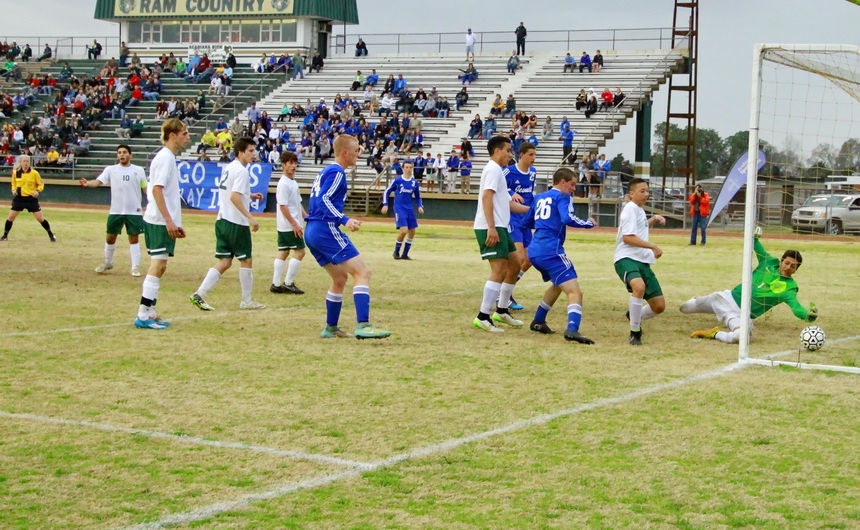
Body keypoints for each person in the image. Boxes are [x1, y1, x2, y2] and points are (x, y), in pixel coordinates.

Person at [304, 134, 391, 340]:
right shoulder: (337, 172)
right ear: (345, 152)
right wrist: (344, 219)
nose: (358, 155)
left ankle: (331, 328)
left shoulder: (326, 171)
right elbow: (324, 199)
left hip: (313, 230)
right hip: (325, 229)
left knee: (339, 278)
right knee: (363, 272)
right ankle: (363, 324)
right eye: (356, 151)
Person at [681, 229, 817, 343]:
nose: (788, 267)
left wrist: (808, 315)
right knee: (685, 308)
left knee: (740, 337)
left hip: (741, 314)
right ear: (781, 261)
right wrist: (755, 235)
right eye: (786, 263)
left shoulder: (790, 288)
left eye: (793, 266)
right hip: (727, 298)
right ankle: (699, 300)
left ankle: (714, 334)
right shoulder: (768, 262)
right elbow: (755, 245)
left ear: (796, 270)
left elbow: (796, 308)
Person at [190, 137, 266, 312]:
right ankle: (246, 300)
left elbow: (232, 191)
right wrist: (250, 217)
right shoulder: (242, 171)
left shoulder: (229, 168)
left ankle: (200, 293)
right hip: (235, 222)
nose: (253, 154)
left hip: (222, 220)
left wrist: (250, 195)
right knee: (246, 260)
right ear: (240, 152)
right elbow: (234, 197)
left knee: (225, 261)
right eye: (250, 151)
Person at [526, 168, 597, 342]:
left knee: (558, 284)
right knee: (575, 292)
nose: (573, 188)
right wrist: (588, 223)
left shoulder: (539, 197)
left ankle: (538, 321)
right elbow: (567, 218)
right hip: (551, 250)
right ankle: (572, 329)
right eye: (572, 184)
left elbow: (526, 221)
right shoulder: (563, 197)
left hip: (535, 250)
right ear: (563, 182)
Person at [133, 118, 191, 330]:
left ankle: (150, 311)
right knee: (157, 265)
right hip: (158, 220)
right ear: (172, 135)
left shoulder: (167, 157)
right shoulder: (165, 158)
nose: (188, 137)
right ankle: (142, 314)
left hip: (162, 220)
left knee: (161, 265)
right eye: (184, 133)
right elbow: (157, 189)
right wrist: (168, 220)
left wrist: (173, 221)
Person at [472, 136, 531, 333]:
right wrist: (491, 227)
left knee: (515, 265)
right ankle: (483, 316)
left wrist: (532, 211)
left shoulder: (498, 172)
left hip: (500, 227)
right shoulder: (493, 169)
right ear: (497, 150)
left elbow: (509, 203)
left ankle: (502, 310)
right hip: (491, 227)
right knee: (498, 270)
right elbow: (486, 197)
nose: (510, 155)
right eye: (507, 151)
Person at [79, 144, 147, 276]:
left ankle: (135, 268)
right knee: (110, 237)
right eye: (119, 152)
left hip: (134, 211)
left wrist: (153, 199)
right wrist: (88, 184)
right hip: (116, 210)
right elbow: (98, 182)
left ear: (130, 155)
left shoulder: (139, 170)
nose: (122, 154)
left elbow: (145, 188)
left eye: (124, 152)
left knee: (134, 238)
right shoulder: (110, 170)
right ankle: (108, 262)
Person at [614, 178, 667, 345]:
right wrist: (653, 246)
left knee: (659, 306)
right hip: (627, 258)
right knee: (639, 286)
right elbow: (628, 238)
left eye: (647, 191)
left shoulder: (639, 210)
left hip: (642, 261)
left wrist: (653, 219)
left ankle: (634, 314)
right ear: (631, 193)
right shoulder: (630, 208)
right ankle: (635, 332)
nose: (646, 194)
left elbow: (639, 228)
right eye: (642, 191)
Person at [504, 142, 539, 311]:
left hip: (525, 219)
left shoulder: (533, 172)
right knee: (518, 258)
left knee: (529, 259)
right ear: (522, 155)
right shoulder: (508, 171)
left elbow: (530, 193)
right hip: (512, 218)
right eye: (531, 155)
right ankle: (504, 295)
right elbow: (498, 187)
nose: (534, 158)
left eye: (535, 155)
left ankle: (506, 289)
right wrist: (511, 193)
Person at [271, 151, 307, 295]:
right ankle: (288, 283)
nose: (294, 166)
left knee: (284, 251)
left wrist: (306, 216)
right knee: (300, 251)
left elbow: (298, 203)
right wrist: (294, 223)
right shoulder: (284, 184)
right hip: (289, 225)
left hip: (285, 225)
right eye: (291, 163)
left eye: (295, 163)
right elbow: (283, 206)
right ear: (283, 165)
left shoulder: (292, 182)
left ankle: (276, 283)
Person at [1, 155, 56, 242]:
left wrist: (37, 191)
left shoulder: (34, 173)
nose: (26, 163)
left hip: (31, 199)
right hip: (19, 198)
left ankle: (51, 235)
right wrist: (13, 190)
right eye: (24, 161)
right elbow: (13, 183)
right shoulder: (16, 173)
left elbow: (41, 184)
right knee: (11, 217)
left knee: (40, 218)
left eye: (27, 161)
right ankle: (5, 235)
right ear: (20, 162)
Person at [381, 159, 424, 260]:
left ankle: (405, 254)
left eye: (410, 167)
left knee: (412, 231)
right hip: (399, 208)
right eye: (407, 167)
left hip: (409, 208)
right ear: (403, 168)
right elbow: (387, 191)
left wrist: (420, 206)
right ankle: (396, 252)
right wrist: (385, 204)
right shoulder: (398, 181)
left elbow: (418, 196)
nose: (409, 169)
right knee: (404, 230)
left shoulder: (414, 182)